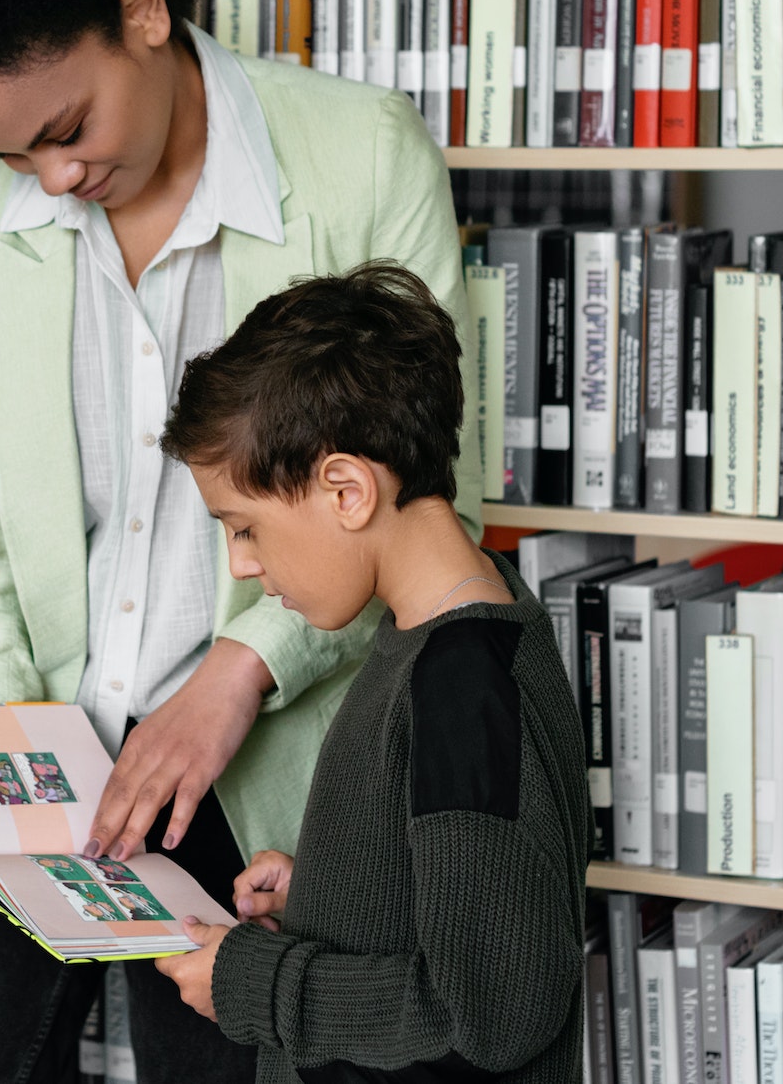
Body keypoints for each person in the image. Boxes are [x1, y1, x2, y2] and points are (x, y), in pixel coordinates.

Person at [0, 0, 481, 1084]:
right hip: (37, 760)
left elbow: (424, 502)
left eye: (66, 126)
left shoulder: (358, 155)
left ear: (142, 12)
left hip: (274, 763)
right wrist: (0, 735)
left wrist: (241, 670)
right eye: (5, 150)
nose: (52, 175)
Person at [152, 265, 590, 1084]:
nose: (241, 566)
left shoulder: (463, 691)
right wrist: (328, 897)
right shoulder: (448, 633)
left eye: (244, 528)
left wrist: (256, 983)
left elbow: (488, 1017)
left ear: (346, 490)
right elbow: (469, 895)